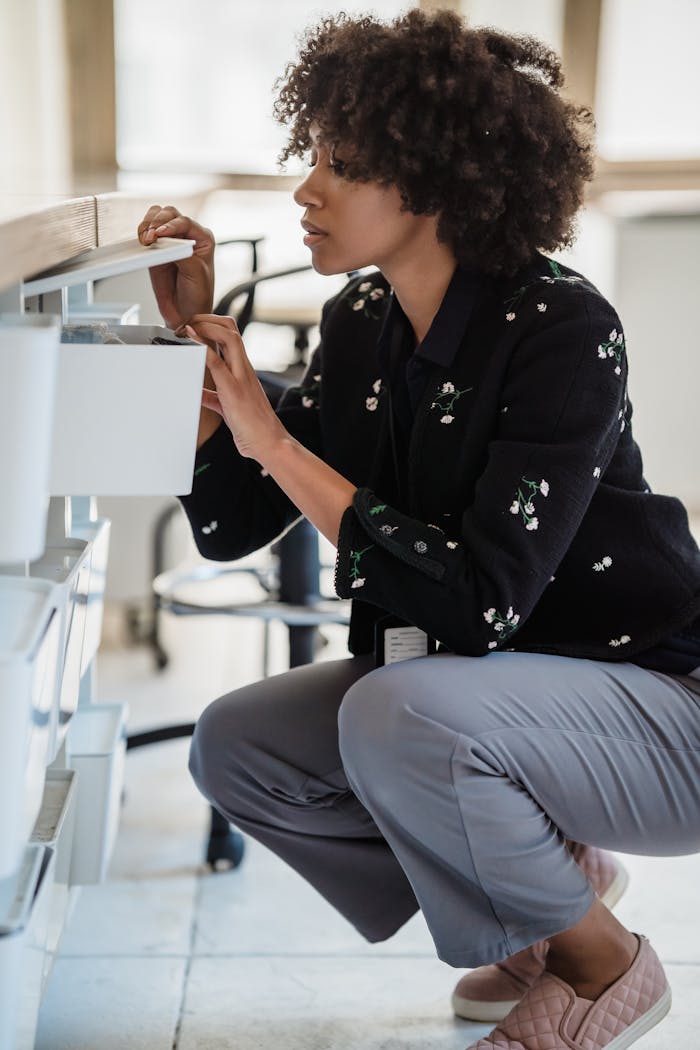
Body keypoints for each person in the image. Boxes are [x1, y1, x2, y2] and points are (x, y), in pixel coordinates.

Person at [138, 10, 700, 1049]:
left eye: (342, 165)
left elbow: (480, 599)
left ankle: (602, 965)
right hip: (508, 704)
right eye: (312, 155)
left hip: (666, 711)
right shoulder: (362, 323)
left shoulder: (563, 329)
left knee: (397, 714)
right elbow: (230, 524)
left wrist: (274, 439)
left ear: (440, 184)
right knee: (239, 745)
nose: (307, 188)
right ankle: (548, 906)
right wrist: (197, 359)